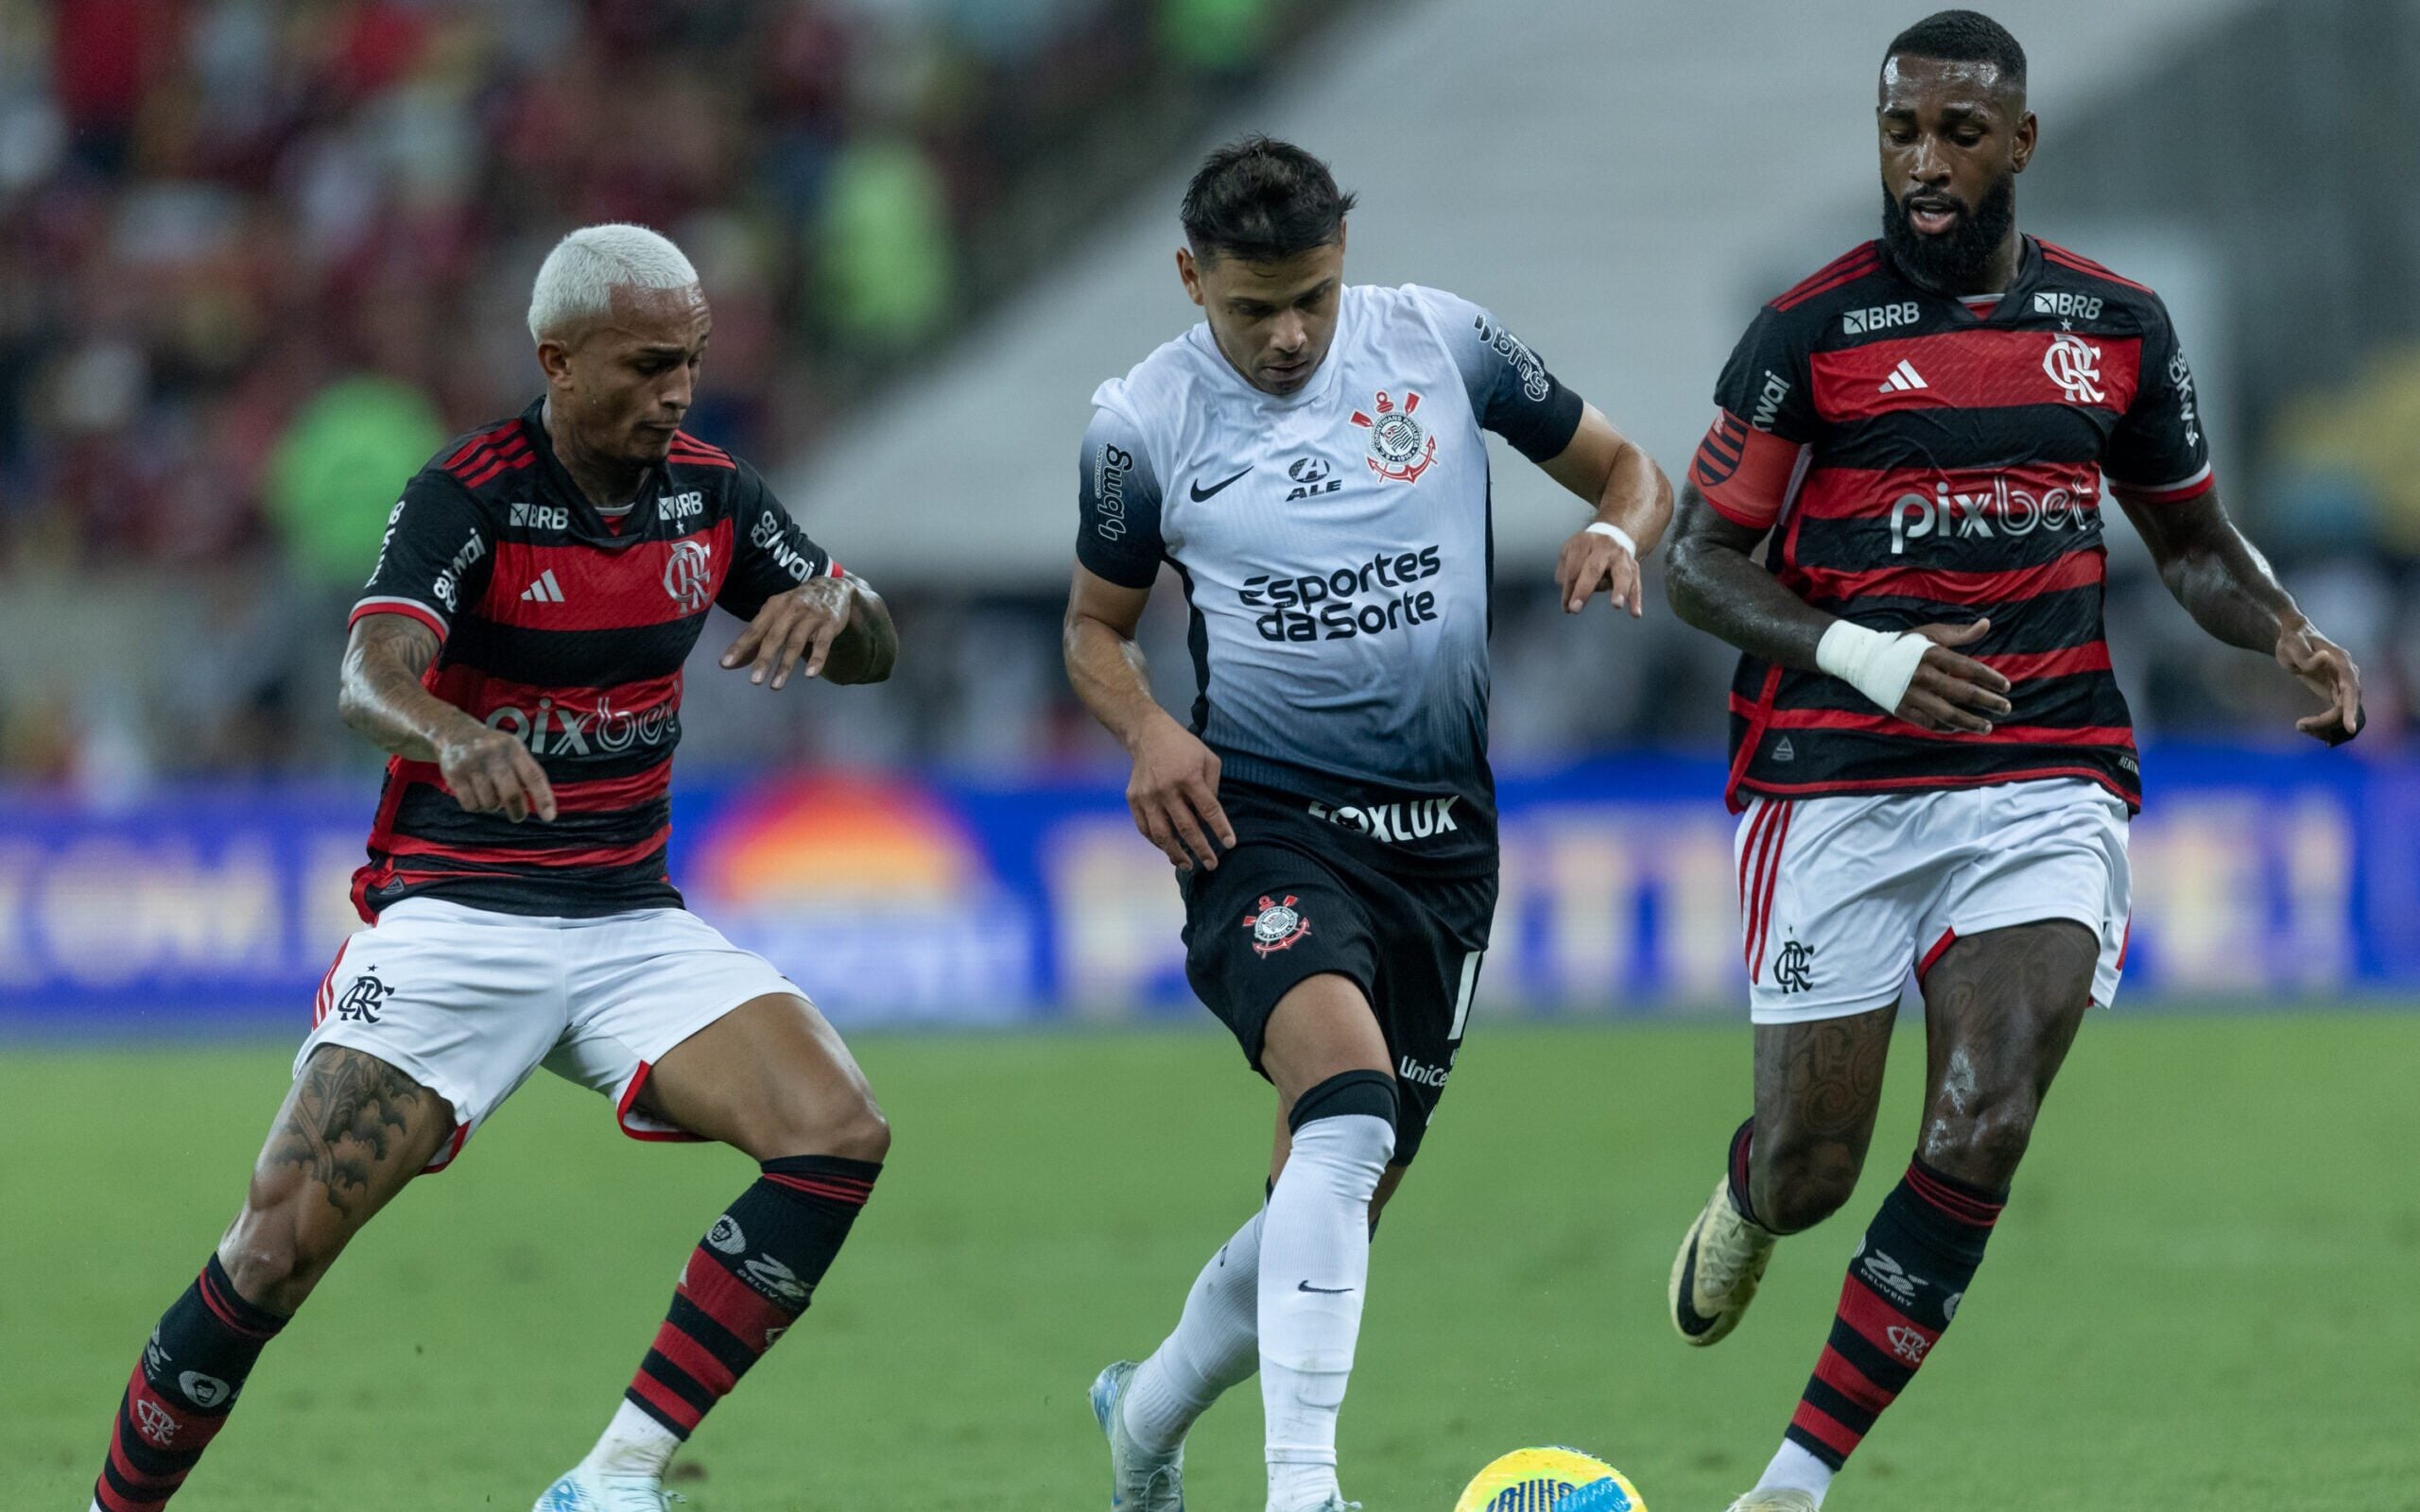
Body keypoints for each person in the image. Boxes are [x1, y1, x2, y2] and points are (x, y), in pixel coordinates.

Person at [1656, 14, 2364, 1510]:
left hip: (2046, 771)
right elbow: (1699, 566)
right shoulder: (1808, 336)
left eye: (1957, 134)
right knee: (1813, 1168)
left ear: (2020, 145)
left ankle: (1789, 1483)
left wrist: (2285, 629)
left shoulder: (2115, 327)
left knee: (1985, 1117)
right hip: (1835, 774)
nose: (1923, 161)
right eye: (1900, 129)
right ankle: (1746, 1195)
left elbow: (2186, 538)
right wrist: (1869, 653)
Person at [81, 223, 901, 1512]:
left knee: (837, 1131)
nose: (677, 391)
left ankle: (616, 1477)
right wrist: (454, 733)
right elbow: (368, 674)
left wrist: (842, 610)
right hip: (457, 919)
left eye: (690, 361)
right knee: (276, 1248)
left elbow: (871, 645)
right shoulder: (471, 493)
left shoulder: (714, 494)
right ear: (557, 361)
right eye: (644, 366)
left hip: (629, 920)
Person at [1063, 136, 1672, 1512]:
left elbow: (1633, 468)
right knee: (1345, 1106)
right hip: (1260, 827)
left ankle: (1143, 1421)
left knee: (1326, 1202)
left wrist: (1618, 536)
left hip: (1446, 849)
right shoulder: (1141, 422)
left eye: (1312, 299)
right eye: (1251, 307)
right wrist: (1149, 726)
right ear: (1189, 279)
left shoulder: (1440, 345)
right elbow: (1093, 634)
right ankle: (1305, 1492)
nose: (1286, 336)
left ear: (1348, 261)